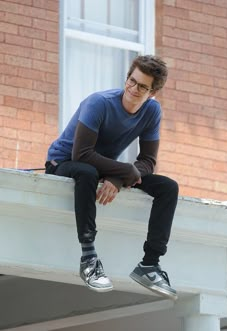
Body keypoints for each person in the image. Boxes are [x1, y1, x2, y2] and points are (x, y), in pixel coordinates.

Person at [45, 55, 179, 300]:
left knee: (168, 187)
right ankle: (89, 259)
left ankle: (150, 265)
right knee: (87, 172)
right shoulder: (100, 103)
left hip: (104, 169)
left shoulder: (151, 111)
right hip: (64, 162)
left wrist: (118, 179)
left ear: (153, 93)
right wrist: (124, 172)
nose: (133, 89)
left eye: (142, 86)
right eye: (131, 80)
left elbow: (148, 161)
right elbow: (81, 153)